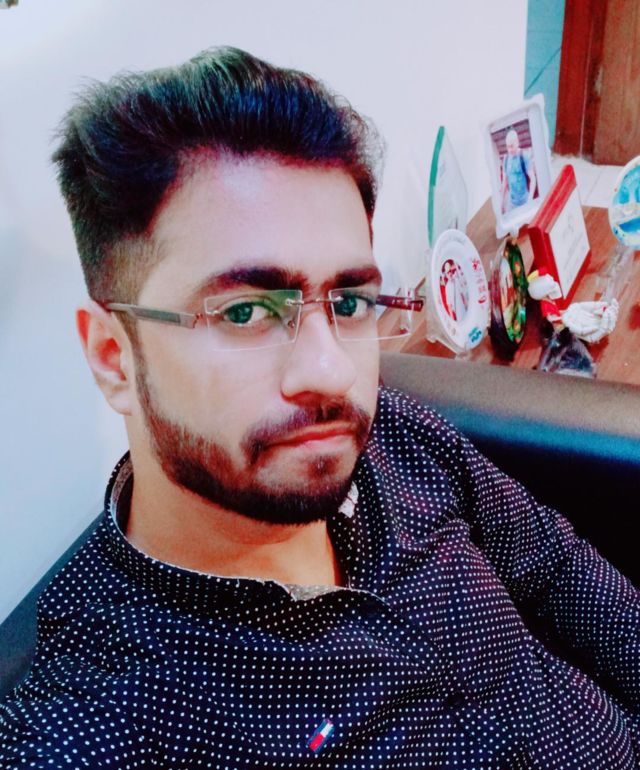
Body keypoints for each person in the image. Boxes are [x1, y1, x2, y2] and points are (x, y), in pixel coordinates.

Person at [0, 47, 638, 769]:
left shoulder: (393, 436)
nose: (331, 373)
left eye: (349, 302)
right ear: (114, 357)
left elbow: (551, 564)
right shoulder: (94, 734)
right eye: (245, 313)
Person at [500, 127, 537, 212]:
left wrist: (530, 199)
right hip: (511, 203)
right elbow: (504, 182)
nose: (509, 150)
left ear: (517, 142)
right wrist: (502, 202)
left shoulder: (524, 156)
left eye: (511, 146)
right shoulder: (506, 159)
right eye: (508, 147)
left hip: (525, 201)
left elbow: (533, 179)